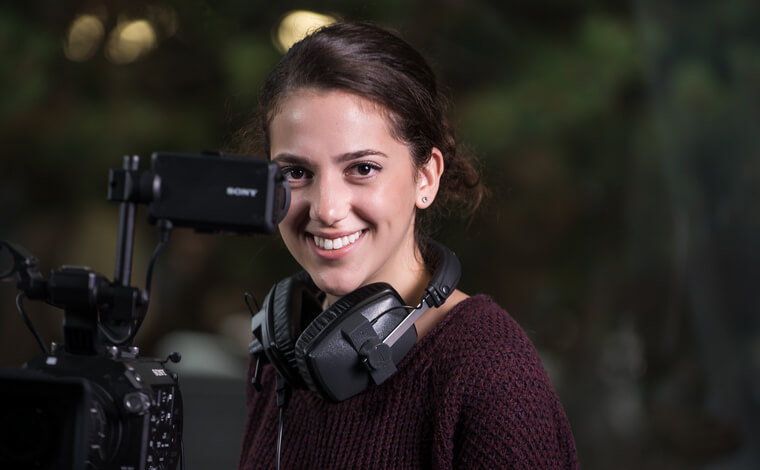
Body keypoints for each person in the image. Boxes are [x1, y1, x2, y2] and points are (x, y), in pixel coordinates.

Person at [234, 20, 578, 469]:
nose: (327, 209)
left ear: (426, 177)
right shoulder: (281, 360)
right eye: (296, 173)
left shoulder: (492, 375)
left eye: (362, 168)